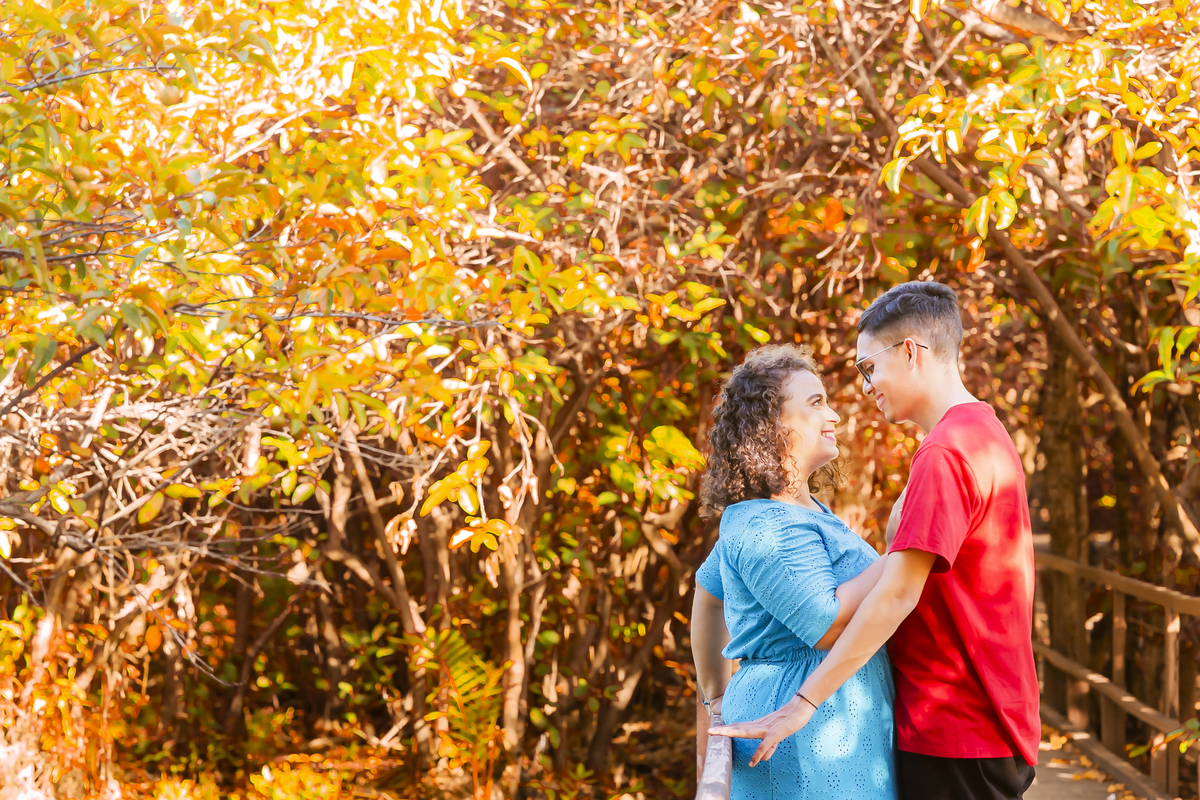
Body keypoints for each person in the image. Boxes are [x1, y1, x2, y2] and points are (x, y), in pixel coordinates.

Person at [710, 281, 1039, 800]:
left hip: (954, 723)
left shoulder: (944, 453)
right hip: (981, 717)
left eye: (868, 367)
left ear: (909, 351)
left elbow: (897, 593)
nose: (864, 387)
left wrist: (804, 703)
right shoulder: (984, 434)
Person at [691, 343, 897, 800]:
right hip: (802, 735)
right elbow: (826, 626)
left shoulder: (799, 512)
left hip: (833, 720)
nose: (836, 416)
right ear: (772, 426)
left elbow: (707, 594)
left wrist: (716, 696)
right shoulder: (766, 523)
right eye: (816, 402)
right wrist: (905, 556)